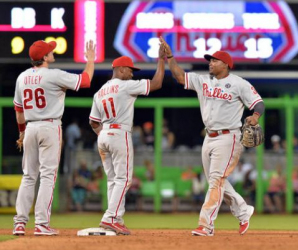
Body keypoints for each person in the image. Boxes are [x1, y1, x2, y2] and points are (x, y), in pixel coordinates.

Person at [160, 36, 264, 236]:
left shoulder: (238, 83)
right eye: (210, 60)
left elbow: (258, 102)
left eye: (214, 60)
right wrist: (170, 57)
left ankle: (206, 225)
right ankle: (243, 210)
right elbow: (180, 77)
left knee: (216, 181)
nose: (210, 63)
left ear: (225, 64)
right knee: (216, 182)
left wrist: (256, 116)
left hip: (229, 137)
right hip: (209, 137)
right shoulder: (203, 81)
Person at [12, 39, 95, 236]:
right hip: (50, 126)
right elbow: (85, 81)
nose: (52, 52)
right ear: (44, 58)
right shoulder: (54, 75)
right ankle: (41, 224)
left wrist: (22, 132)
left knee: (28, 176)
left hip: (31, 127)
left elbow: (18, 110)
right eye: (49, 51)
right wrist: (90, 60)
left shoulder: (22, 77)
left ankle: (19, 223)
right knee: (48, 176)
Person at [89, 44, 165, 235]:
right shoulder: (125, 85)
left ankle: (116, 217)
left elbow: (92, 121)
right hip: (119, 134)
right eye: (130, 70)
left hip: (104, 134)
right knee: (124, 179)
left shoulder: (100, 92)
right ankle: (111, 218)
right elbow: (156, 84)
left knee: (113, 180)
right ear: (120, 69)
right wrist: (161, 60)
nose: (132, 74)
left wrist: (103, 135)